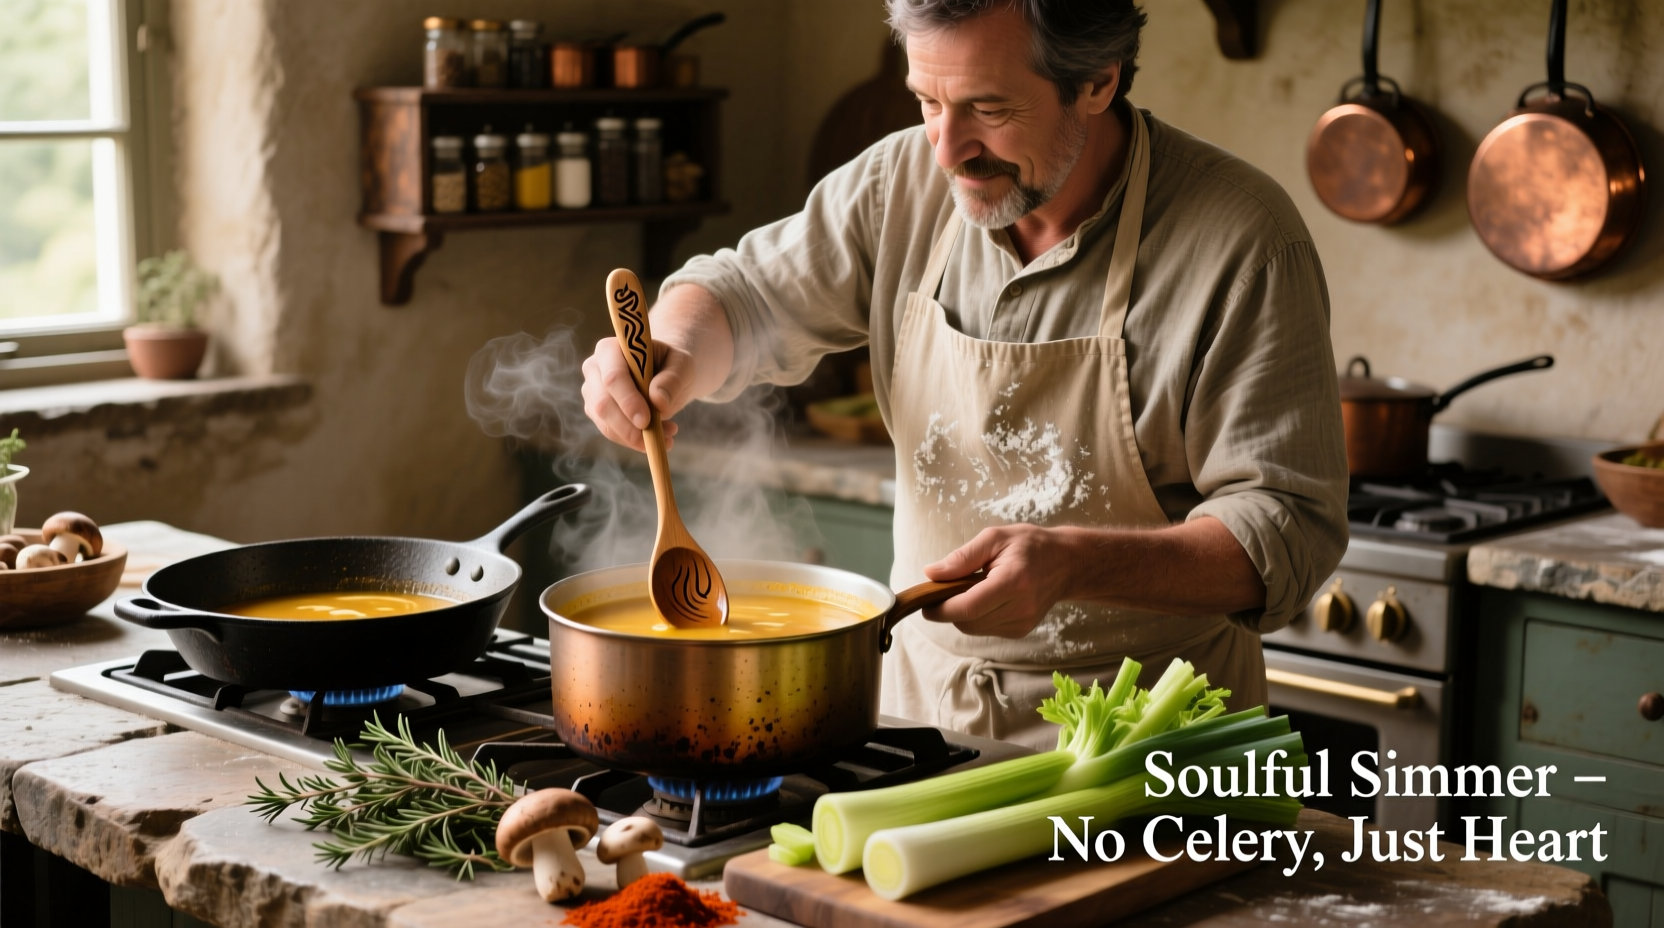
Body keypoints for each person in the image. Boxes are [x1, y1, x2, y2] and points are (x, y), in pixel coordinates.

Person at [582, 0, 1348, 750]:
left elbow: (1289, 531)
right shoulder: (899, 184)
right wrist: (672, 347)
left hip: (1149, 746)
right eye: (926, 101)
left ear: (1098, 81)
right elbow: (743, 294)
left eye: (988, 108)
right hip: (919, 725)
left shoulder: (1244, 242)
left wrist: (1075, 565)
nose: (946, 149)